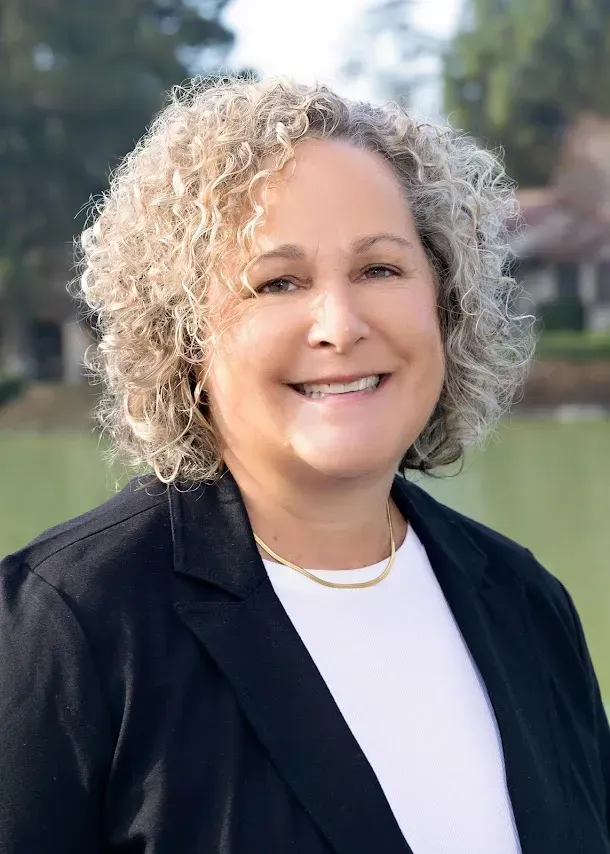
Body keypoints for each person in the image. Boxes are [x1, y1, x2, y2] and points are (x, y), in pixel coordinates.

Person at [0, 76, 608, 854]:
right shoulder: (67, 627)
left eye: (380, 270)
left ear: (445, 301)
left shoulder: (527, 602)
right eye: (278, 282)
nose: (340, 325)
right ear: (185, 338)